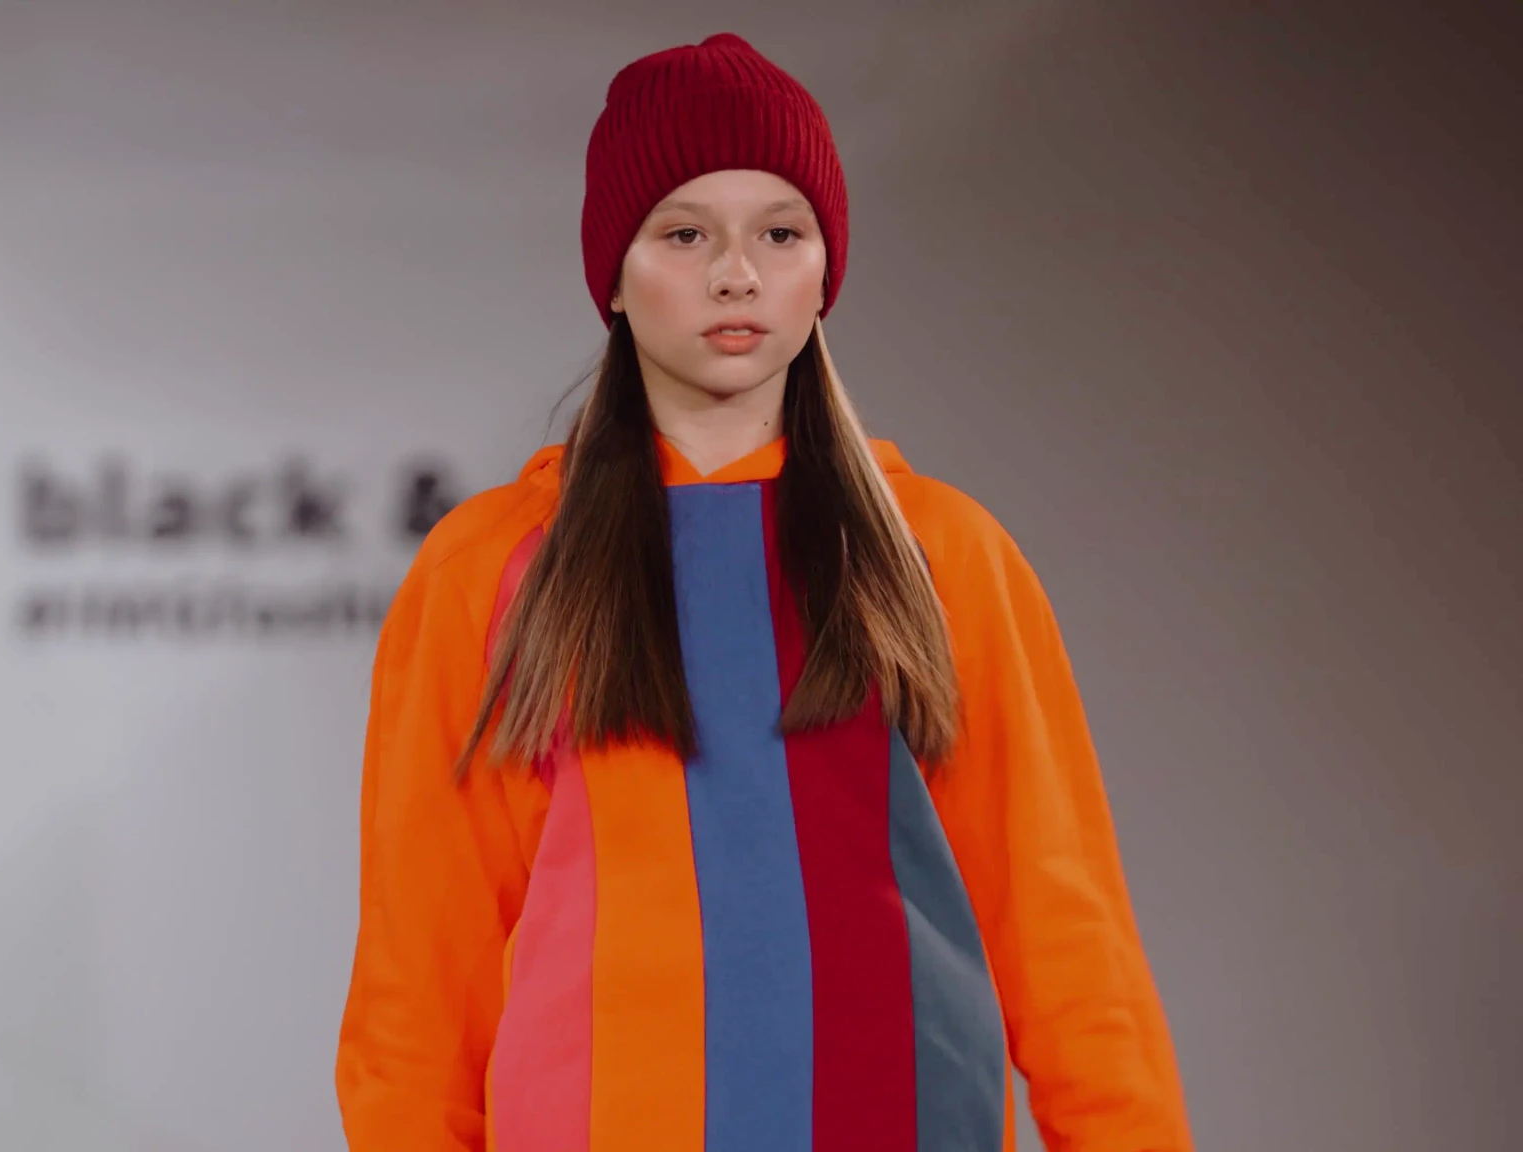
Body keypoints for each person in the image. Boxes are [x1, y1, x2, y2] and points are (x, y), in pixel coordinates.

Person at [336, 33, 1192, 1152]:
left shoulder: (939, 556)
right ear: (612, 270)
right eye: (683, 233)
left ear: (822, 268)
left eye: (778, 233)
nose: (735, 273)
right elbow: (419, 987)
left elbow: (1065, 941)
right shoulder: (491, 571)